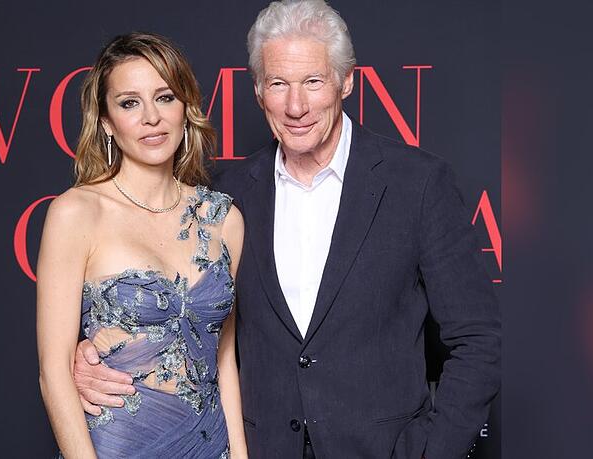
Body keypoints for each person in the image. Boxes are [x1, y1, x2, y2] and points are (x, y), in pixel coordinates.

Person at [73, 1, 501, 458]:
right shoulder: (224, 199)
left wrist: (432, 452)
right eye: (278, 84)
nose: (296, 106)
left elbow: (477, 340)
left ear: (346, 81)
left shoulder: (418, 184)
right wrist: (96, 357)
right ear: (259, 91)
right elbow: (184, 321)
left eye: (313, 81)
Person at [36, 32, 247, 458]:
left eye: (165, 97)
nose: (152, 117)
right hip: (117, 447)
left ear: (185, 108)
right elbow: (53, 373)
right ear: (107, 122)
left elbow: (224, 360)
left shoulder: (224, 220)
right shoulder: (76, 213)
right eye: (130, 103)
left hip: (209, 444)